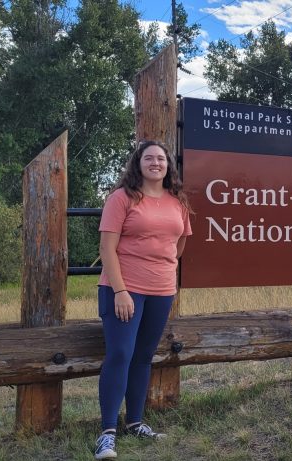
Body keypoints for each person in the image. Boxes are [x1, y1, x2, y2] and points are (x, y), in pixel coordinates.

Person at [94, 140, 192, 460]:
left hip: (161, 291)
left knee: (143, 356)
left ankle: (135, 423)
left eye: (160, 158)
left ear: (168, 165)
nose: (155, 163)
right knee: (120, 354)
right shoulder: (121, 198)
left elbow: (179, 244)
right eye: (148, 158)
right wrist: (120, 290)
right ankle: (107, 433)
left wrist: (161, 268)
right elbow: (107, 248)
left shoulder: (177, 201)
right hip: (123, 290)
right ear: (138, 163)